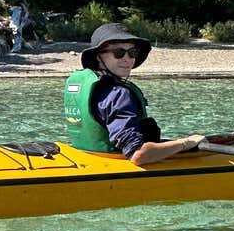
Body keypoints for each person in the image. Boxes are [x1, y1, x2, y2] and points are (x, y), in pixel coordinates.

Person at [63, 22, 204, 165]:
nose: (127, 59)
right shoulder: (118, 95)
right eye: (119, 53)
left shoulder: (91, 86)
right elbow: (137, 155)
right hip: (115, 167)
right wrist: (185, 143)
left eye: (132, 53)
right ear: (98, 56)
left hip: (90, 159)